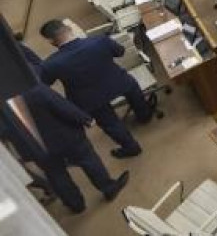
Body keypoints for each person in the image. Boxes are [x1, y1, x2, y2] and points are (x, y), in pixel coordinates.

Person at [0, 66, 129, 214]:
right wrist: (85, 119)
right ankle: (109, 188)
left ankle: (75, 205)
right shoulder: (33, 88)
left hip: (34, 148)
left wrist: (22, 149)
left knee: (56, 175)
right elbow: (61, 106)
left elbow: (3, 132)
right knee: (88, 159)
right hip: (65, 136)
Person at [38, 19, 152, 158]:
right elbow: (120, 52)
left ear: (51, 41)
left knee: (110, 123)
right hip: (118, 82)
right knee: (132, 86)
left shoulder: (50, 64)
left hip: (90, 99)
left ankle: (131, 147)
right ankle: (144, 115)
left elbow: (46, 82)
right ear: (69, 29)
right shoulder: (99, 40)